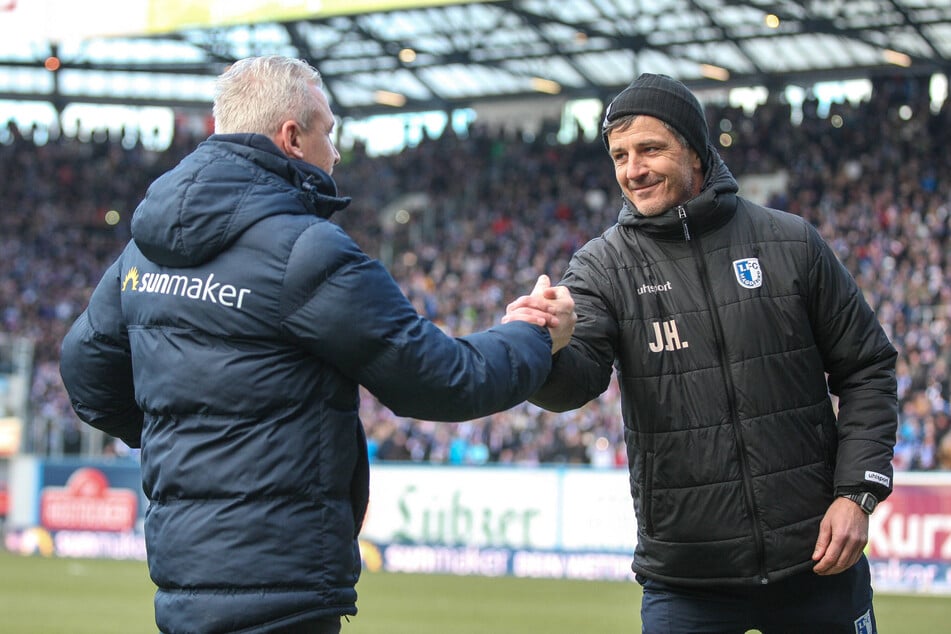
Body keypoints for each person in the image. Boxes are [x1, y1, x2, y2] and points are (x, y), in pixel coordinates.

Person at [59, 55, 575, 634]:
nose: (336, 153)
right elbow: (440, 379)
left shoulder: (143, 252)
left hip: (182, 586)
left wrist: (180, 437)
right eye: (329, 132)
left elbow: (84, 373)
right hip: (283, 588)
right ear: (292, 138)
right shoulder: (304, 251)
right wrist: (533, 334)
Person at [506, 73, 898, 633]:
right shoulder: (602, 267)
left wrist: (856, 494)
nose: (633, 170)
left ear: (694, 148)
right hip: (686, 581)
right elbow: (574, 384)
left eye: (650, 149)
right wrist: (549, 344)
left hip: (817, 561)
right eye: (619, 156)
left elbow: (868, 368)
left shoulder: (791, 242)